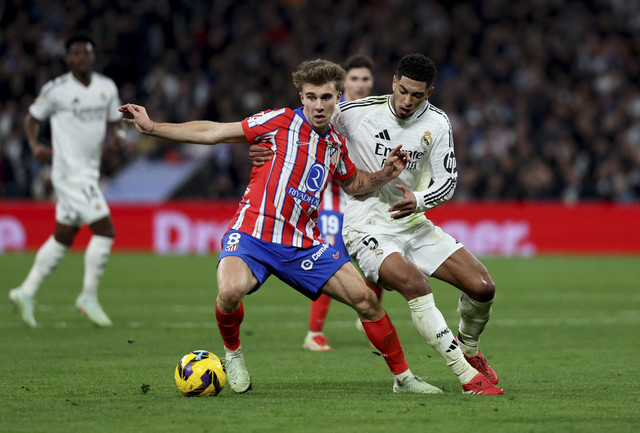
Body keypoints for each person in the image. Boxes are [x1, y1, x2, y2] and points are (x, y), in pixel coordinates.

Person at [119, 59, 451, 395]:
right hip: (253, 233)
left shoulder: (335, 143)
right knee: (230, 292)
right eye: (311, 97)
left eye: (326, 98)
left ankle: (404, 379)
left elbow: (353, 184)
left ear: (338, 98)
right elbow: (215, 131)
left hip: (303, 242)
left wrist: (386, 174)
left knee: (366, 300)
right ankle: (233, 353)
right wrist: (152, 128)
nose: (318, 105)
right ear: (301, 96)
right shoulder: (278, 121)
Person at [250, 54, 504, 395]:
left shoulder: (438, 124)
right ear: (394, 82)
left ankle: (470, 351)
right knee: (415, 285)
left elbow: (448, 181)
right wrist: (264, 147)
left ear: (429, 93)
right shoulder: (355, 114)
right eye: (403, 91)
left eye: (417, 95)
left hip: (413, 221)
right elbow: (306, 124)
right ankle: (466, 377)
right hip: (366, 226)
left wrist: (419, 200)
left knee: (483, 287)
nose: (407, 100)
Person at [9, 34, 124, 328]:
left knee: (63, 236)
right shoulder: (56, 89)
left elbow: (114, 122)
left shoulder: (106, 88)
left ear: (93, 57)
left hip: (89, 170)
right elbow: (32, 118)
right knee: (105, 229)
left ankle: (25, 291)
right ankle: (87, 297)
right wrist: (35, 145)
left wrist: (118, 138)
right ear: (68, 58)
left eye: (87, 53)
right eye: (76, 53)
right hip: (67, 171)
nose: (82, 58)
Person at [303, 55, 383, 352]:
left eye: (365, 79)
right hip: (333, 201)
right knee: (331, 261)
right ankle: (314, 333)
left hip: (366, 199)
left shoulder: (376, 113)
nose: (360, 84)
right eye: (354, 79)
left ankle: (368, 321)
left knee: (379, 261)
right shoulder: (330, 112)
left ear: (372, 82)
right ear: (342, 84)